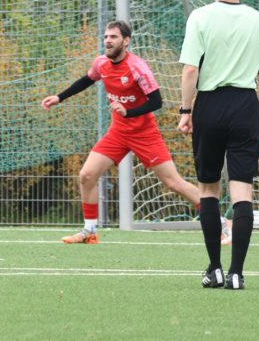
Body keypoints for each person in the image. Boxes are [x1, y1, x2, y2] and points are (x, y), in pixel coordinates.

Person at [41, 20, 201, 245]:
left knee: (173, 183)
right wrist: (59, 97)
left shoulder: (137, 67)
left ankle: (221, 222)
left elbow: (156, 101)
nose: (108, 40)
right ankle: (89, 231)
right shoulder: (101, 64)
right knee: (87, 175)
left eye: (113, 37)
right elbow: (87, 80)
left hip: (144, 133)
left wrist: (129, 112)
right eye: (106, 36)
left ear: (126, 41)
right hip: (118, 132)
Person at [178, 0, 259, 291]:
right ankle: (237, 274)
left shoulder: (200, 17)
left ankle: (215, 269)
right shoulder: (258, 19)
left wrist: (185, 111)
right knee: (242, 190)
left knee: (208, 188)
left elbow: (191, 70)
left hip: (211, 104)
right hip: (245, 105)